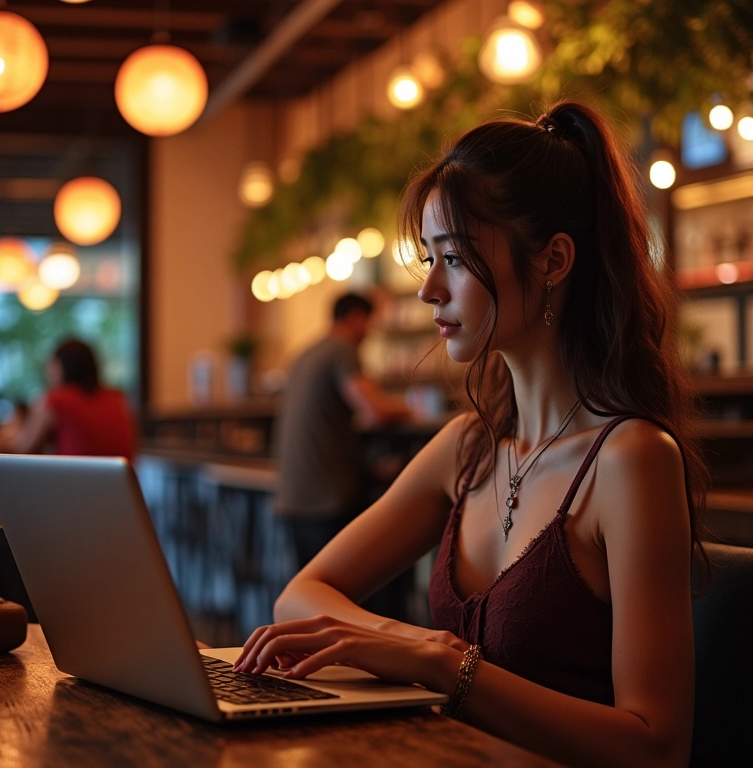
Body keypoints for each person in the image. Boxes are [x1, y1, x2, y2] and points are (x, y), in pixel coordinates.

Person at [235, 101, 708, 767]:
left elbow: (656, 747)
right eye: (429, 257)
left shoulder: (629, 460)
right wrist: (411, 647)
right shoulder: (469, 446)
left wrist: (444, 667)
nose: (429, 289)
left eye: (453, 258)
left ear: (553, 261)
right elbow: (301, 594)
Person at [274, 292, 411, 572]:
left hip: (294, 497)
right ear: (356, 318)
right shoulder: (342, 349)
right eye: (369, 323)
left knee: (311, 592)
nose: (370, 333)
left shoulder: (306, 352)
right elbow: (376, 411)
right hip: (325, 501)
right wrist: (410, 409)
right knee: (344, 590)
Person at [11, 338, 136, 461]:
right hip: (119, 481)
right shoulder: (118, 399)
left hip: (73, 480)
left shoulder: (56, 401)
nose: (48, 371)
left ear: (60, 366)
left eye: (52, 364)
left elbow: (21, 449)